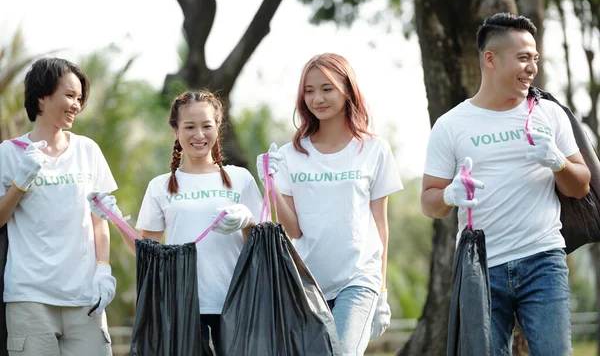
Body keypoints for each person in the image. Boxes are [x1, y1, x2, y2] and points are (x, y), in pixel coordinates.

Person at [421, 13, 591, 355]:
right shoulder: (451, 125)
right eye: (523, 58)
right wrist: (451, 194)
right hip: (480, 266)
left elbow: (581, 185)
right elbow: (430, 202)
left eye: (535, 59)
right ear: (490, 59)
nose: (532, 68)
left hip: (543, 259)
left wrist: (557, 161)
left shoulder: (549, 114)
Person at [89, 90, 262, 354]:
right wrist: (115, 219)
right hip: (183, 305)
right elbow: (146, 250)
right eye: (189, 127)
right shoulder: (160, 186)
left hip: (237, 302)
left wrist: (248, 220)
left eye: (206, 126)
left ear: (218, 127)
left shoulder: (241, 179)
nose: (198, 135)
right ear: (176, 131)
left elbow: (262, 244)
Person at [258, 53, 403, 355]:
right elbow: (293, 230)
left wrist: (382, 291)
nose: (317, 98)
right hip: (306, 284)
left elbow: (380, 224)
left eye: (327, 88)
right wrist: (269, 186)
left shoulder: (374, 149)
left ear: (347, 89)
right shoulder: (290, 155)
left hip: (359, 278)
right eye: (309, 90)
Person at [0, 57, 117, 355]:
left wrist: (103, 269)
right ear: (42, 95)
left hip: (86, 299)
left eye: (79, 98)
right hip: (30, 298)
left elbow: (99, 220)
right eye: (69, 95)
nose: (76, 105)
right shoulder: (8, 154)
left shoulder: (88, 150)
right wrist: (20, 182)